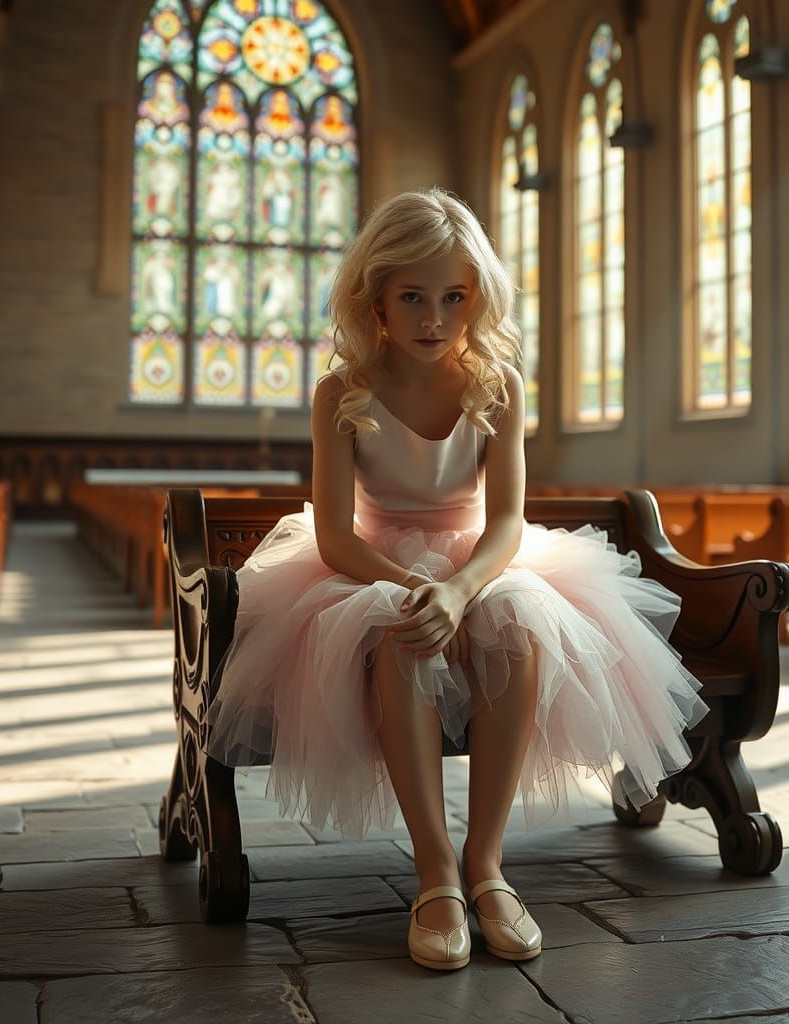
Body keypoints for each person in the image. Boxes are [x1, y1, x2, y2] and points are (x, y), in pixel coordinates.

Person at [205, 187, 710, 971]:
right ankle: (435, 869)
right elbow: (335, 534)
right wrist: (417, 587)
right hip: (369, 564)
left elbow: (506, 521)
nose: (434, 317)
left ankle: (487, 863)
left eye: (453, 297)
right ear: (375, 300)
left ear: (478, 297)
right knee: (394, 626)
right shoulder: (342, 393)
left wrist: (460, 586)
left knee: (519, 621)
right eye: (413, 297)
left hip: (481, 561)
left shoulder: (496, 385)